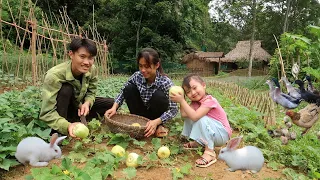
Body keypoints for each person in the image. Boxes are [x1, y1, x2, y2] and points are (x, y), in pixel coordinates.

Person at [39, 37, 114, 137]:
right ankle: (60, 130)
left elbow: (91, 92)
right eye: (82, 56)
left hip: (78, 105)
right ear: (71, 54)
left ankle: (77, 118)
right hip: (62, 107)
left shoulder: (92, 69)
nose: (87, 62)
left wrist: (87, 103)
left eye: (90, 58)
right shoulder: (54, 75)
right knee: (66, 89)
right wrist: (66, 126)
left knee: (111, 104)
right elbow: (46, 112)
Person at [105, 48, 178, 138]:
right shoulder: (137, 76)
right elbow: (123, 91)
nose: (143, 70)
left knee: (159, 96)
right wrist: (114, 107)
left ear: (157, 65)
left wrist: (157, 121)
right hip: (138, 114)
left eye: (147, 66)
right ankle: (139, 122)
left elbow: (174, 109)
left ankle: (157, 125)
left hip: (156, 116)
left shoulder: (166, 82)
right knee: (129, 88)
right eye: (140, 66)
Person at [170, 74, 232, 168]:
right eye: (188, 92)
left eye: (195, 88)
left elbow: (195, 117)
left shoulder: (210, 101)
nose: (193, 92)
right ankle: (198, 142)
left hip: (222, 134)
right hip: (214, 133)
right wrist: (181, 100)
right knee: (190, 114)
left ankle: (210, 153)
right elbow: (184, 114)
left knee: (200, 118)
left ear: (203, 85)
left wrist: (182, 101)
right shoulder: (195, 103)